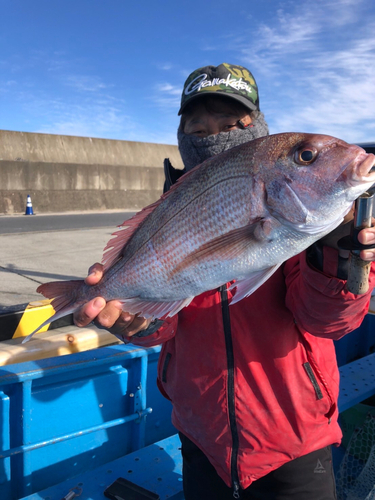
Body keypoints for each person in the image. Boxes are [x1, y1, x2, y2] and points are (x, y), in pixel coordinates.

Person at [73, 63, 375, 499]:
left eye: (232, 121)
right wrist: (136, 323)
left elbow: (329, 323)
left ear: (258, 127)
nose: (213, 134)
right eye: (199, 124)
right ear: (182, 132)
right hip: (200, 437)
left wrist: (341, 258)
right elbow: (168, 321)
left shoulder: (317, 229)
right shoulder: (168, 211)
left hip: (295, 443)